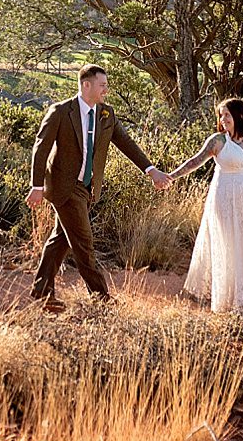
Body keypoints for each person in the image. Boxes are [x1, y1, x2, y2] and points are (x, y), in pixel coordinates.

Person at [27, 64, 170, 309]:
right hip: (64, 186)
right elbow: (40, 149)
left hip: (87, 188)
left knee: (60, 239)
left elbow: (126, 143)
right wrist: (36, 186)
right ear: (86, 85)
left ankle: (41, 293)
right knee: (83, 242)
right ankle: (102, 299)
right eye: (102, 85)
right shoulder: (61, 112)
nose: (106, 89)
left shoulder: (107, 114)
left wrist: (151, 170)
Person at [169, 97, 243, 314]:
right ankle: (230, 300)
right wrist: (170, 177)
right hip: (226, 199)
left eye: (226, 114)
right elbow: (194, 162)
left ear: (240, 115)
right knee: (230, 245)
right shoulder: (218, 141)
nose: (222, 119)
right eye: (220, 115)